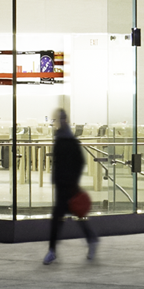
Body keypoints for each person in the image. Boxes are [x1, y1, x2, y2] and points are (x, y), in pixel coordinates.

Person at [44, 107, 99, 264]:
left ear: (62, 120)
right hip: (64, 184)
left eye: (56, 120)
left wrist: (70, 179)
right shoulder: (62, 138)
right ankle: (90, 240)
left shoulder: (66, 140)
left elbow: (78, 162)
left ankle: (52, 250)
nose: (54, 123)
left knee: (62, 218)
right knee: (75, 216)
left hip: (67, 186)